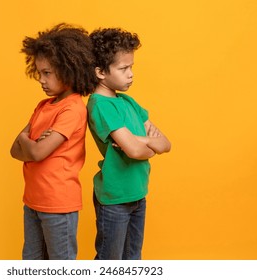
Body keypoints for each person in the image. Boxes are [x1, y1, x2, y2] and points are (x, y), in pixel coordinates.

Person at [10, 23, 97, 260]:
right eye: (39, 72)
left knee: (61, 264)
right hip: (32, 201)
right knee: (32, 261)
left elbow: (36, 152)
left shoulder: (73, 110)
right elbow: (14, 149)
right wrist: (31, 142)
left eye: (47, 73)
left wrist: (28, 140)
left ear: (69, 70)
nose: (41, 79)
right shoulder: (43, 106)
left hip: (58, 205)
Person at [87, 27, 171, 260]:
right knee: (110, 262)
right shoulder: (100, 105)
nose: (131, 74)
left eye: (131, 67)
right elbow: (134, 151)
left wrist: (140, 142)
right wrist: (146, 144)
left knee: (132, 260)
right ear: (100, 72)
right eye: (123, 68)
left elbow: (166, 143)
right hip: (114, 198)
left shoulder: (128, 101)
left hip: (137, 193)